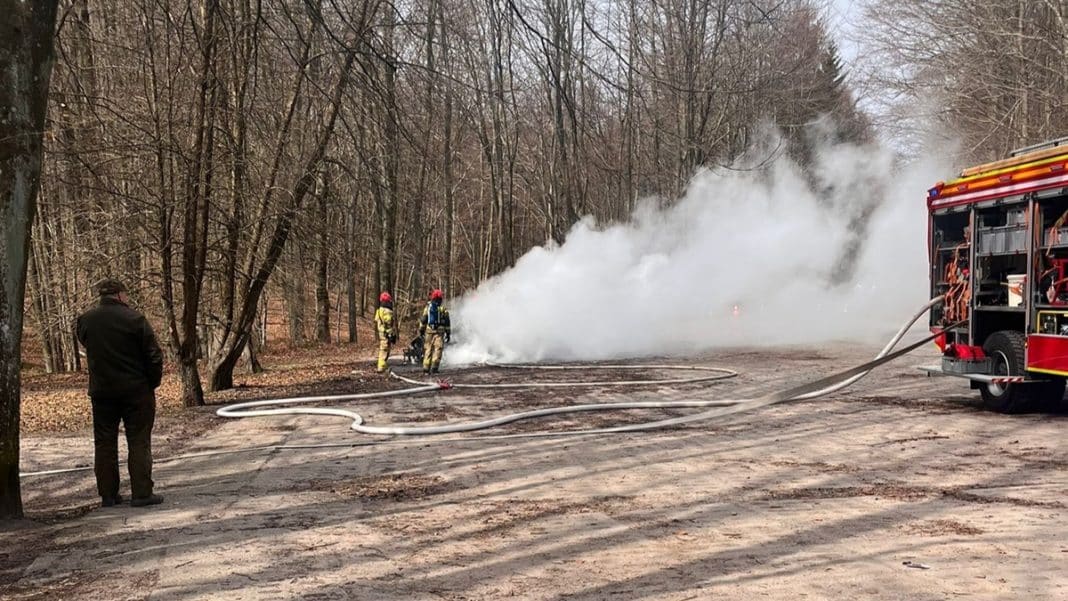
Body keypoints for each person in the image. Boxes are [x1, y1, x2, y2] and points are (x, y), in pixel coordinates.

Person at [75, 279, 164, 508]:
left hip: (102, 392)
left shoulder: (85, 321)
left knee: (104, 443)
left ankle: (108, 494)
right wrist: (151, 382)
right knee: (138, 440)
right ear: (120, 295)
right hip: (136, 390)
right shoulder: (135, 320)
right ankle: (142, 493)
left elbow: (87, 344)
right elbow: (154, 355)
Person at [419, 289, 451, 374]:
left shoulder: (427, 308)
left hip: (429, 331)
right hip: (439, 333)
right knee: (438, 349)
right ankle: (434, 368)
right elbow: (447, 322)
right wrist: (448, 333)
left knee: (428, 349)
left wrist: (421, 331)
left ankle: (426, 369)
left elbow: (423, 320)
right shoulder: (443, 309)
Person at [374, 291, 398, 373]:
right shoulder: (387, 311)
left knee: (384, 349)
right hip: (386, 334)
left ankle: (383, 366)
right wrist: (391, 334)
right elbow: (389, 323)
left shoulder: (379, 310)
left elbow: (378, 321)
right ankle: (381, 368)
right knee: (385, 350)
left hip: (382, 333)